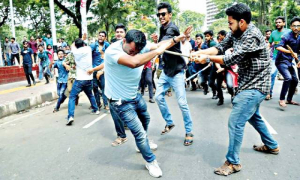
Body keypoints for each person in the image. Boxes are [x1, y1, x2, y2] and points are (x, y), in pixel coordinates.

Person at [192, 3, 279, 176]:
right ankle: (272, 145)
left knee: (236, 121)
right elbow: (220, 47)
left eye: (230, 23)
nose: (228, 27)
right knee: (254, 117)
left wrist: (207, 59)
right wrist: (200, 53)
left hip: (257, 85)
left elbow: (231, 58)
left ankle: (233, 162)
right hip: (247, 83)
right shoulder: (236, 32)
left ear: (241, 22)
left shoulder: (252, 35)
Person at [104, 28, 191, 178]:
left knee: (146, 118)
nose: (134, 53)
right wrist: (157, 52)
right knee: (139, 133)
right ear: (124, 41)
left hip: (134, 95)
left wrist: (177, 39)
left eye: (137, 51)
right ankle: (150, 161)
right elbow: (134, 62)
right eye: (131, 50)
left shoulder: (139, 46)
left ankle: (142, 141)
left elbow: (160, 45)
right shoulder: (112, 51)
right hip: (120, 101)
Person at [154, 2, 194, 146]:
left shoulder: (172, 28)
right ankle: (169, 122)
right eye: (158, 15)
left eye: (163, 14)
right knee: (158, 97)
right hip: (166, 71)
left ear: (170, 15)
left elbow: (167, 43)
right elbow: (162, 44)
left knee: (182, 103)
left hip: (177, 71)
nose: (161, 17)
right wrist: (156, 42)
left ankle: (189, 131)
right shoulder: (162, 28)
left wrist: (157, 45)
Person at [66, 38, 99, 125]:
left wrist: (76, 42)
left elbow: (72, 45)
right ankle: (96, 109)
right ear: (83, 44)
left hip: (80, 79)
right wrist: (83, 39)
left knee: (72, 97)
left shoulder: (75, 51)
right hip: (89, 78)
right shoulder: (88, 49)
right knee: (90, 94)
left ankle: (70, 116)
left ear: (76, 46)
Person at [276, 17, 300, 108]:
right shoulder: (286, 36)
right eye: (294, 26)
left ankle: (289, 99)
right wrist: (290, 52)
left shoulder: (299, 38)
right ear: (291, 27)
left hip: (289, 62)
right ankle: (282, 99)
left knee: (295, 80)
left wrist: (299, 60)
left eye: (298, 26)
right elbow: (278, 47)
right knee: (288, 78)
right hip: (281, 61)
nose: (296, 28)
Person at [267, 16, 291, 100]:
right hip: (275, 57)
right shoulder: (273, 33)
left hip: (288, 57)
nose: (277, 24)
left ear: (284, 23)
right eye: (276, 22)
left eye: (279, 22)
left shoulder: (289, 32)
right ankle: (269, 93)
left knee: (291, 76)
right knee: (272, 74)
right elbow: (269, 44)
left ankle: (291, 90)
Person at [90, 31, 110, 110]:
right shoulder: (93, 45)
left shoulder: (107, 45)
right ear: (97, 36)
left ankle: (106, 104)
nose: (101, 37)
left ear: (105, 38)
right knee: (94, 87)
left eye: (102, 36)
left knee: (103, 86)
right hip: (94, 69)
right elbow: (87, 54)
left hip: (103, 70)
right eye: (100, 35)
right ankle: (98, 104)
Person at [204, 30, 219, 99]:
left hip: (217, 64)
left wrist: (211, 61)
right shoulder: (208, 43)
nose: (206, 38)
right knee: (211, 82)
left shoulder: (212, 43)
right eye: (205, 36)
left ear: (211, 37)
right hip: (213, 63)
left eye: (207, 36)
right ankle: (216, 93)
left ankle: (217, 93)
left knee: (211, 81)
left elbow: (215, 54)